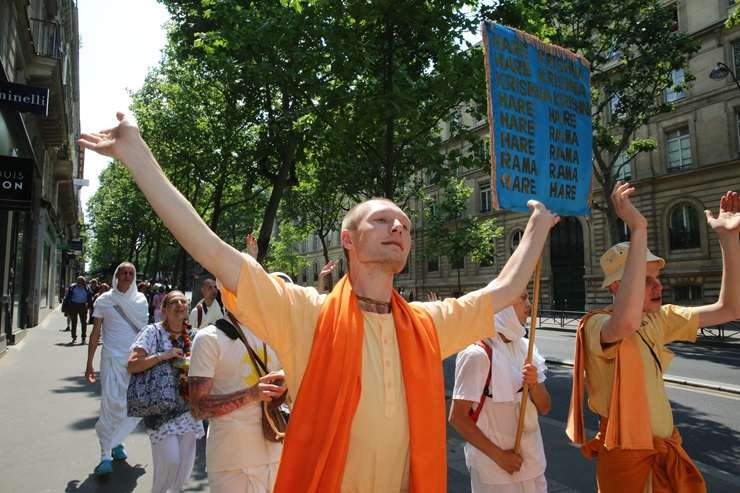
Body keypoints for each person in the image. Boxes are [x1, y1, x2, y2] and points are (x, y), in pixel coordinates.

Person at [79, 112, 558, 493]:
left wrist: (537, 225)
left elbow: (502, 291)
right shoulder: (305, 312)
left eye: (406, 226)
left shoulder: (427, 324)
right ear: (348, 239)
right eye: (383, 220)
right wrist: (136, 155)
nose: (399, 227)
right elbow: (211, 250)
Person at [566, 184, 740, 493]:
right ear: (617, 287)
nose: (658, 287)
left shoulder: (661, 318)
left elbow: (730, 309)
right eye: (646, 281)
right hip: (627, 460)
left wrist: (728, 239)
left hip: (665, 452)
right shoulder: (597, 324)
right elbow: (627, 322)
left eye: (657, 279)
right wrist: (638, 227)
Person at [450, 292, 551, 493]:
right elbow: (458, 418)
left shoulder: (525, 348)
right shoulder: (476, 355)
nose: (529, 305)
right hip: (495, 473)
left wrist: (535, 385)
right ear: (502, 306)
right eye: (523, 298)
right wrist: (500, 457)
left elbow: (545, 407)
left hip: (533, 464)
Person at [189, 308, 286, 493]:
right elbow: (197, 408)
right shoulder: (209, 338)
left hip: (276, 453)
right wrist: (250, 395)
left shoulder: (274, 334)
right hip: (231, 461)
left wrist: (287, 382)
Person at [128, 290, 204, 493]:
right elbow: (132, 365)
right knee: (170, 460)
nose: (180, 304)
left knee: (185, 465)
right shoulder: (152, 332)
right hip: (160, 409)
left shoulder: (196, 336)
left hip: (188, 409)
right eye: (173, 302)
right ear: (163, 310)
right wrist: (164, 355)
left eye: (183, 301)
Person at [85, 262, 148, 476]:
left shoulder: (141, 301)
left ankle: (117, 441)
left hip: (134, 361)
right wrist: (89, 363)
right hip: (111, 359)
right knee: (110, 405)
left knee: (131, 405)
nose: (128, 276)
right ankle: (105, 455)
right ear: (117, 276)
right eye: (124, 273)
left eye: (131, 273)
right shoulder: (104, 300)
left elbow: (145, 335)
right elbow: (95, 334)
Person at [64, 276, 92, 344]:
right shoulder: (73, 287)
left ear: (83, 282)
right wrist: (67, 306)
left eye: (81, 281)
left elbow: (90, 297)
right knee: (74, 322)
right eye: (78, 281)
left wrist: (89, 306)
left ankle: (83, 337)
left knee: (83, 322)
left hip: (83, 306)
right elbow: (68, 297)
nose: (79, 282)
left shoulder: (87, 288)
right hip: (73, 305)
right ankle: (74, 337)